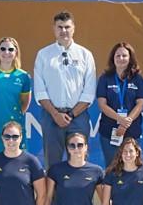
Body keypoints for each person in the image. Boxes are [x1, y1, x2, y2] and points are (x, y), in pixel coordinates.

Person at [33, 11, 97, 168]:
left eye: (67, 27)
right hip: (51, 116)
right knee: (52, 164)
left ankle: (77, 193)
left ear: (73, 28)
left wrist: (70, 114)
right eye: (60, 27)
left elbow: (88, 92)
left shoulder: (85, 55)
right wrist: (56, 114)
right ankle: (52, 194)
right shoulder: (43, 55)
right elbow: (40, 91)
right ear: (54, 29)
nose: (64, 31)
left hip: (78, 117)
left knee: (78, 162)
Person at [95, 42, 143, 166]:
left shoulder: (137, 78)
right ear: (112, 58)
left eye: (124, 56)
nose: (121, 59)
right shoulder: (105, 78)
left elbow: (141, 103)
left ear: (130, 58)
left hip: (132, 130)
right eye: (117, 56)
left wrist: (126, 121)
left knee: (131, 166)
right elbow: (102, 104)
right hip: (109, 131)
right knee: (112, 166)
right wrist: (119, 118)